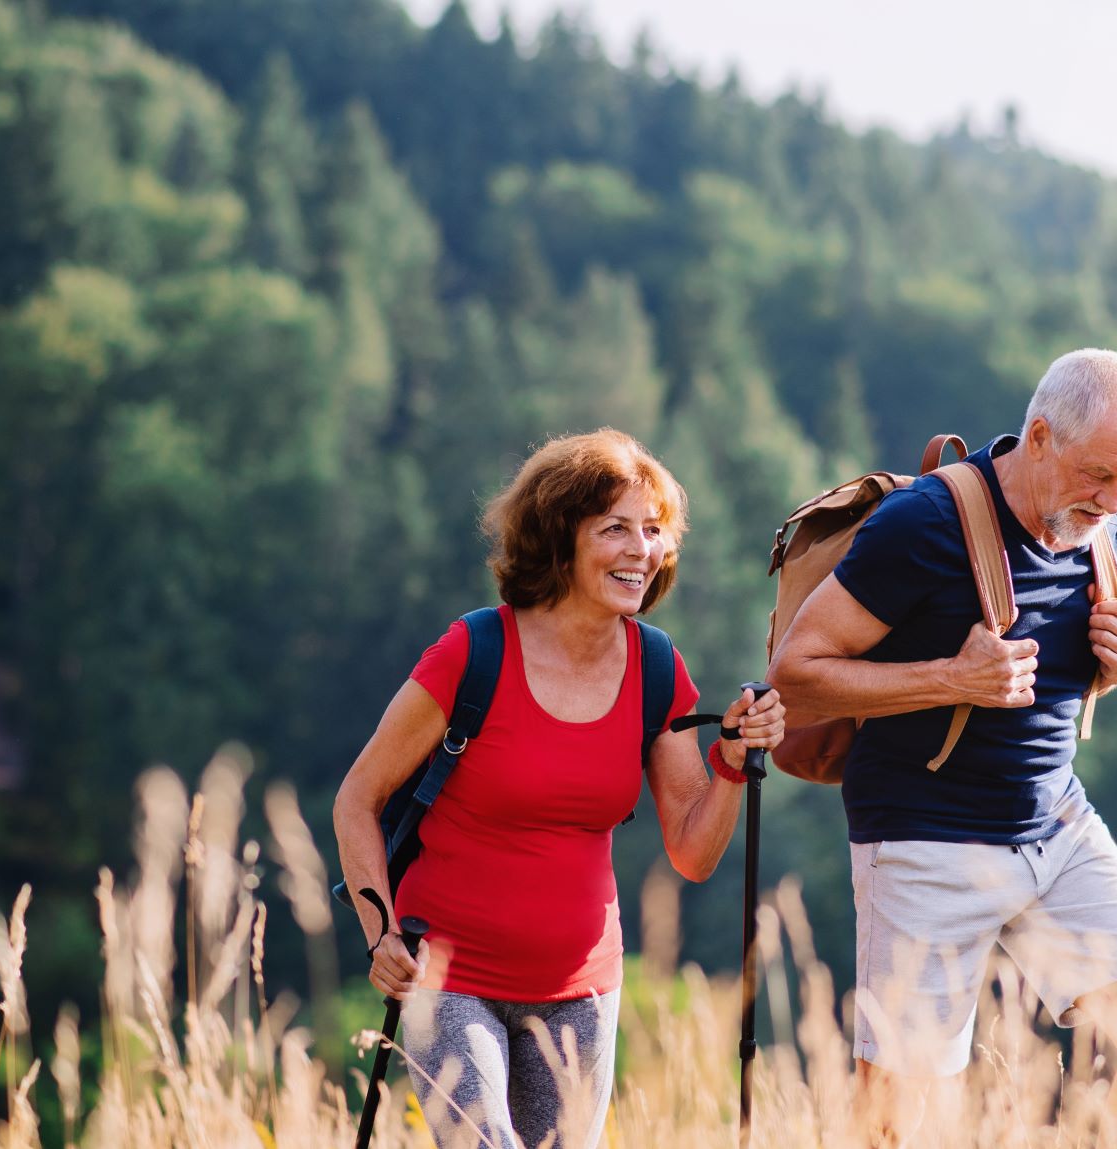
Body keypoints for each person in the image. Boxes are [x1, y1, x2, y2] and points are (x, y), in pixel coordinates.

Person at [769, 349, 1117, 1147]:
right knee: (900, 1123)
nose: (1111, 503)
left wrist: (1114, 663)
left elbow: (1049, 673)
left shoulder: (1101, 521)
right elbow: (795, 677)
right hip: (922, 838)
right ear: (1038, 437)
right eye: (1098, 476)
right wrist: (950, 677)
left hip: (1054, 825)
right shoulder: (923, 525)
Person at [334, 428, 785, 1149]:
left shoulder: (658, 668)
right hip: (449, 978)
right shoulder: (473, 651)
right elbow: (357, 796)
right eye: (615, 529)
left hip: (582, 991)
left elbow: (694, 853)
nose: (642, 548)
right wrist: (380, 932)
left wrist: (734, 758)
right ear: (558, 538)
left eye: (654, 529)